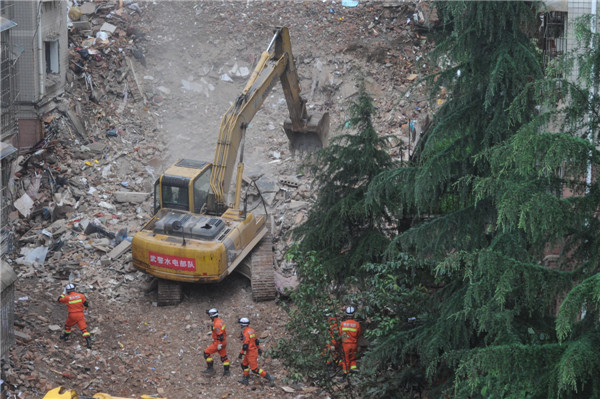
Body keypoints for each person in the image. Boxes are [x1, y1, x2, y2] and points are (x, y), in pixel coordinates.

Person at [237, 317, 275, 387]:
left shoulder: (245, 333)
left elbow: (245, 346)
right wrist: (259, 348)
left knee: (255, 369)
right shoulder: (252, 330)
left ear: (242, 325)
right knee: (244, 364)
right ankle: (246, 379)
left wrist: (241, 353)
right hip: (252, 351)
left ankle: (269, 378)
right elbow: (256, 341)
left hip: (251, 353)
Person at [57, 283, 92, 349]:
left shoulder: (67, 298)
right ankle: (88, 341)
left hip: (72, 315)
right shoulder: (81, 296)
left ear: (68, 291)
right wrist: (86, 309)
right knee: (84, 329)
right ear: (74, 289)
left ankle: (66, 336)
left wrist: (63, 293)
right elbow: (86, 304)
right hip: (80, 315)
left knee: (68, 326)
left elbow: (59, 299)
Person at [203, 308, 230, 376]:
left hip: (218, 343)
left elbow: (220, 335)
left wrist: (219, 344)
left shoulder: (217, 324)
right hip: (224, 342)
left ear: (212, 316)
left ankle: (210, 369)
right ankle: (227, 371)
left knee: (206, 353)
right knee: (224, 357)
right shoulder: (220, 321)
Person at [339, 306, 362, 375]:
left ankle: (346, 374)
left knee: (346, 359)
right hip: (354, 344)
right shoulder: (357, 324)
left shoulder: (342, 324)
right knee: (353, 358)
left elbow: (340, 334)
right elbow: (359, 334)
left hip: (345, 344)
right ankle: (353, 373)